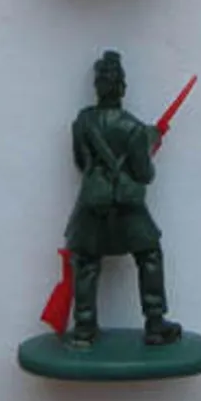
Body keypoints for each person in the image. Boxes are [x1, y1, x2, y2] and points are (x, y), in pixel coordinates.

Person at [65, 51, 181, 348]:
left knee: (87, 263)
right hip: (127, 206)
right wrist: (148, 145)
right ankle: (155, 323)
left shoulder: (82, 121)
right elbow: (144, 174)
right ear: (122, 88)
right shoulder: (133, 127)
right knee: (150, 255)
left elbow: (80, 163)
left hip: (93, 202)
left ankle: (84, 328)